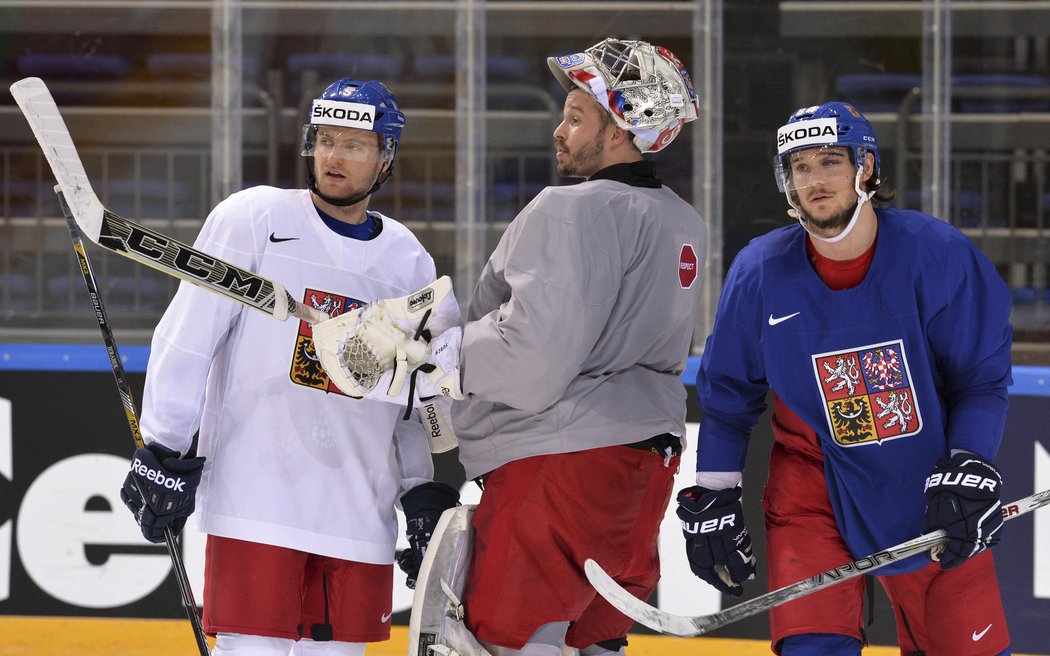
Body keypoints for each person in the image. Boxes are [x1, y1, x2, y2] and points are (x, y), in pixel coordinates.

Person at [118, 77, 459, 656]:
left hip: (359, 514)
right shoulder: (251, 218)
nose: (333, 156)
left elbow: (416, 393)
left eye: (353, 144)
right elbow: (188, 335)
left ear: (385, 157)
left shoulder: (409, 262)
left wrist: (418, 487)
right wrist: (164, 447)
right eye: (324, 139)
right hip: (257, 502)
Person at [682, 101, 1013, 656]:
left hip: (925, 486)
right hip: (811, 490)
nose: (815, 179)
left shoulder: (938, 254)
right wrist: (714, 492)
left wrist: (970, 462)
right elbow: (728, 396)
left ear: (866, 167)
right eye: (800, 166)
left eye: (830, 161)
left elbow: (980, 381)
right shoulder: (760, 271)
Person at [449, 38, 706, 656]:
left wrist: (441, 351)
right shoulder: (682, 221)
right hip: (641, 471)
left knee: (516, 642)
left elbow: (532, 358)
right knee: (596, 640)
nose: (558, 130)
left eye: (576, 117)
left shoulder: (572, 208)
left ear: (622, 130)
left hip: (556, 465)